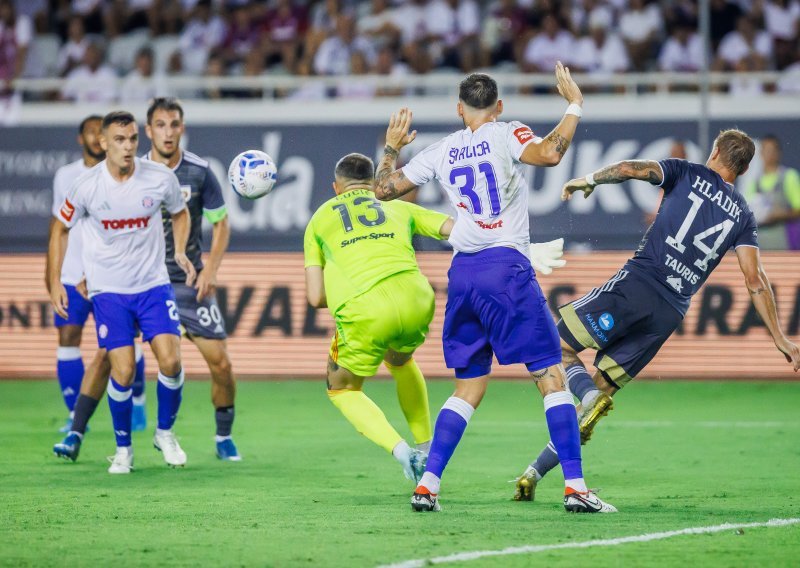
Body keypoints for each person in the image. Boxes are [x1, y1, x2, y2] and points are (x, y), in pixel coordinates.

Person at [372, 65, 616, 514]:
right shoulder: (508, 133)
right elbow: (549, 154)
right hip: (506, 269)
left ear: (459, 109)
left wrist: (391, 147)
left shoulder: (443, 150)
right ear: (499, 107)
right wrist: (574, 105)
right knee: (551, 375)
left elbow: (383, 189)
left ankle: (427, 485)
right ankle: (576, 487)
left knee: (468, 386)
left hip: (463, 274)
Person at [514, 129, 800, 501]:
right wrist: (780, 338)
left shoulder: (686, 172)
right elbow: (755, 280)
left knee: (559, 349)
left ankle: (584, 397)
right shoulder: (743, 216)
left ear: (715, 151)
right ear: (744, 170)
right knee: (597, 395)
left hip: (638, 285)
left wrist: (590, 179)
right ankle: (533, 473)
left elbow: (631, 168)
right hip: (669, 312)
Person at [53, 99, 242, 462]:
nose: (167, 133)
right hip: (127, 282)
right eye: (160, 125)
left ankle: (223, 437)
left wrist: (211, 270)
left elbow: (220, 223)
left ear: (182, 128)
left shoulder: (199, 171)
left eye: (174, 125)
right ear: (148, 131)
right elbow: (91, 231)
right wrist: (89, 274)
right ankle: (77, 431)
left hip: (185, 282)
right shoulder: (124, 171)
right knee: (108, 357)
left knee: (219, 361)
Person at [48, 111, 195, 474]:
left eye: (132, 139)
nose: (128, 146)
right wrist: (55, 280)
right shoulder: (86, 186)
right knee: (124, 370)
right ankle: (123, 449)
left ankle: (165, 433)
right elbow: (60, 229)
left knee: (172, 361)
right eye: (119, 140)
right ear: (103, 143)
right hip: (109, 290)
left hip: (152, 284)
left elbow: (180, 212)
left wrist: (178, 250)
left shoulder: (159, 178)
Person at [303, 152, 451, 482]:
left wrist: (348, 287)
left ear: (336, 188)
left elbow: (315, 297)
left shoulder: (319, 219)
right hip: (417, 297)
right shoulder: (399, 207)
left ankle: (405, 455)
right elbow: (453, 229)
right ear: (373, 184)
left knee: (342, 389)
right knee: (399, 360)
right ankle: (426, 448)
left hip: (365, 308)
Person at [744, 135, 800, 250]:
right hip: (760, 247)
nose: (769, 154)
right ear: (760, 153)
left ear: (779, 152)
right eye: (766, 150)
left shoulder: (789, 177)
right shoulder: (754, 182)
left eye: (772, 150)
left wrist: (781, 214)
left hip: (784, 246)